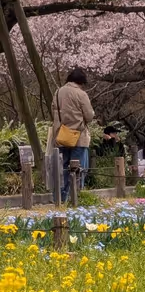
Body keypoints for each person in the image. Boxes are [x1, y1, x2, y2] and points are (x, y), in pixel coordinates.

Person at [52, 68, 95, 203]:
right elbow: (89, 115)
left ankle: (60, 199)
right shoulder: (81, 94)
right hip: (78, 136)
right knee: (78, 169)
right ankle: (76, 199)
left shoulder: (58, 92)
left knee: (62, 169)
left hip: (61, 135)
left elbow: (54, 111)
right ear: (81, 81)